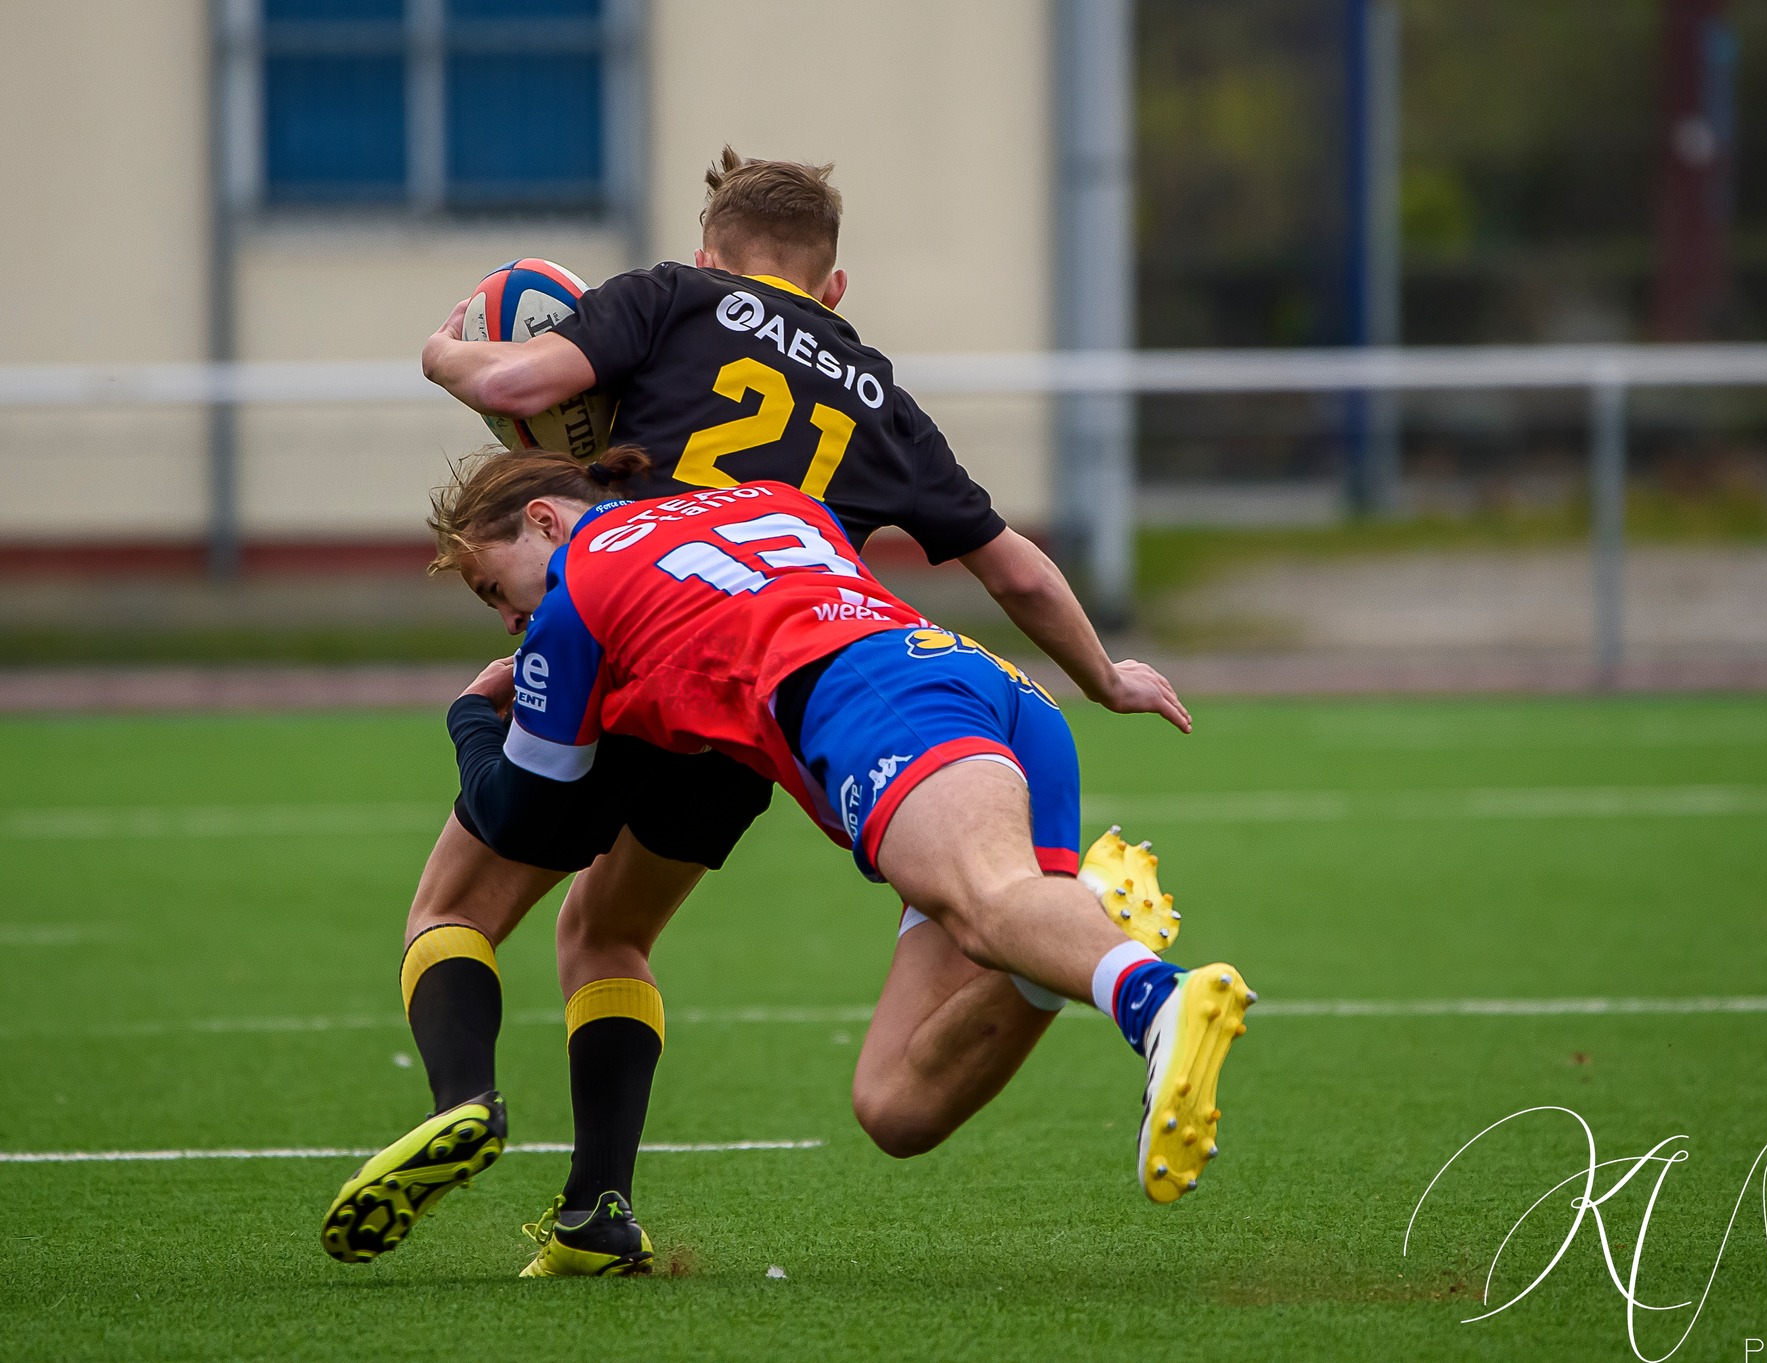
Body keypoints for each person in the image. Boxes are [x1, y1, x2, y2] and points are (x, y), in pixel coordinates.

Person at [322, 150, 1191, 1273]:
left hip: (630, 633)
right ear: (832, 288)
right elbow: (1013, 567)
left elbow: (513, 389)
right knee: (613, 929)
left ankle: (465, 1099)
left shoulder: (671, 299)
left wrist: (445, 352)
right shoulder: (877, 393)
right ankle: (593, 1214)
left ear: (706, 252)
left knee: (455, 907)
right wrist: (1104, 674)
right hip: (771, 702)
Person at [406, 448, 1252, 1274]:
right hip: (988, 690)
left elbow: (524, 816)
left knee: (990, 901)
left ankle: (1157, 997)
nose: (510, 618)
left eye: (494, 589)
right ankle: (1079, 926)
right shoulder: (766, 496)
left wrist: (470, 717)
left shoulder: (575, 595)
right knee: (897, 1104)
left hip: (876, 699)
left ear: (545, 518)